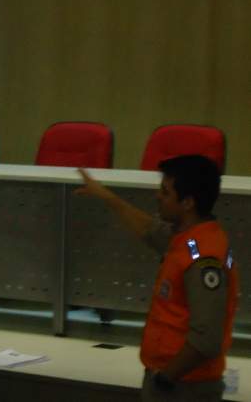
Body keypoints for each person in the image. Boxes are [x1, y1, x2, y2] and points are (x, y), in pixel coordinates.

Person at [75, 154, 237, 401]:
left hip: (183, 388)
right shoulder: (190, 239)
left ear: (187, 203)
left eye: (165, 192)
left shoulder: (202, 257)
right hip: (175, 382)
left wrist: (165, 379)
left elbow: (207, 340)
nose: (157, 196)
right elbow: (150, 230)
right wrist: (107, 196)